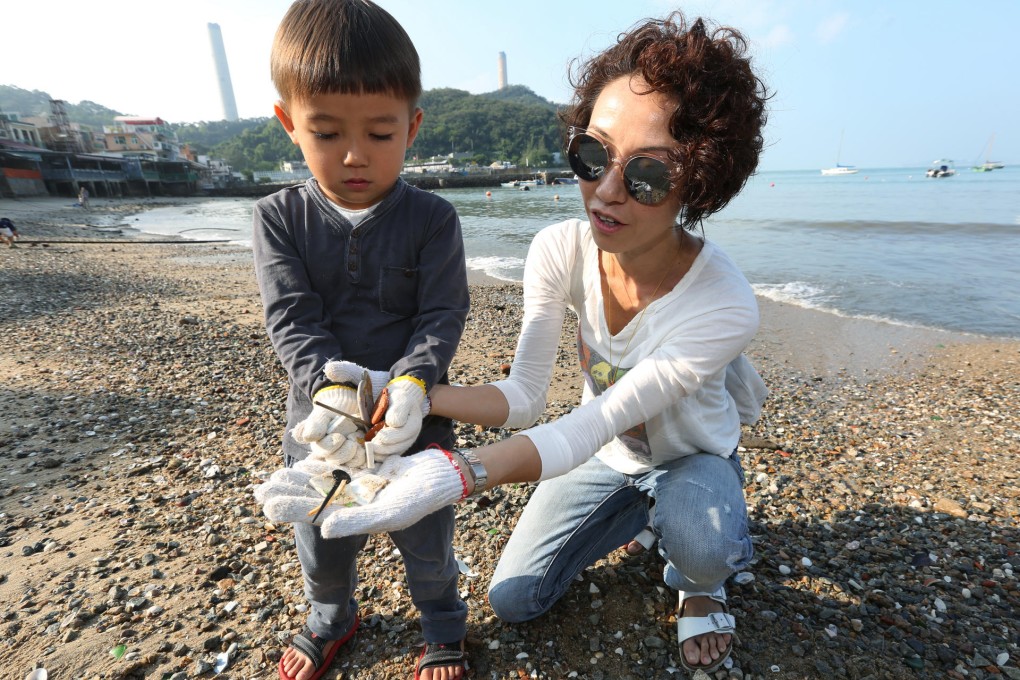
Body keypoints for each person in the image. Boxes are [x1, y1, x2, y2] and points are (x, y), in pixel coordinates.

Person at [256, 9, 769, 676]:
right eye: (592, 155)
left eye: (647, 176)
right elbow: (526, 398)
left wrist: (452, 471)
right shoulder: (560, 248)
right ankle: (643, 520)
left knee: (699, 537)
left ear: (700, 182)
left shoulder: (724, 302)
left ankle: (703, 574)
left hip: (685, 454)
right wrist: (405, 392)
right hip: (611, 458)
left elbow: (597, 416)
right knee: (517, 597)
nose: (606, 192)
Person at [251, 1, 471, 679]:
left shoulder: (433, 219)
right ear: (290, 123)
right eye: (325, 132)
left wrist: (411, 380)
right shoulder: (279, 218)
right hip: (321, 419)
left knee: (424, 533)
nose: (354, 155)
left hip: (415, 417)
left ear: (412, 127)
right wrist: (335, 389)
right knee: (319, 529)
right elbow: (290, 314)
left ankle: (440, 621)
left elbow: (441, 314)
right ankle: (330, 615)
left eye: (380, 132)